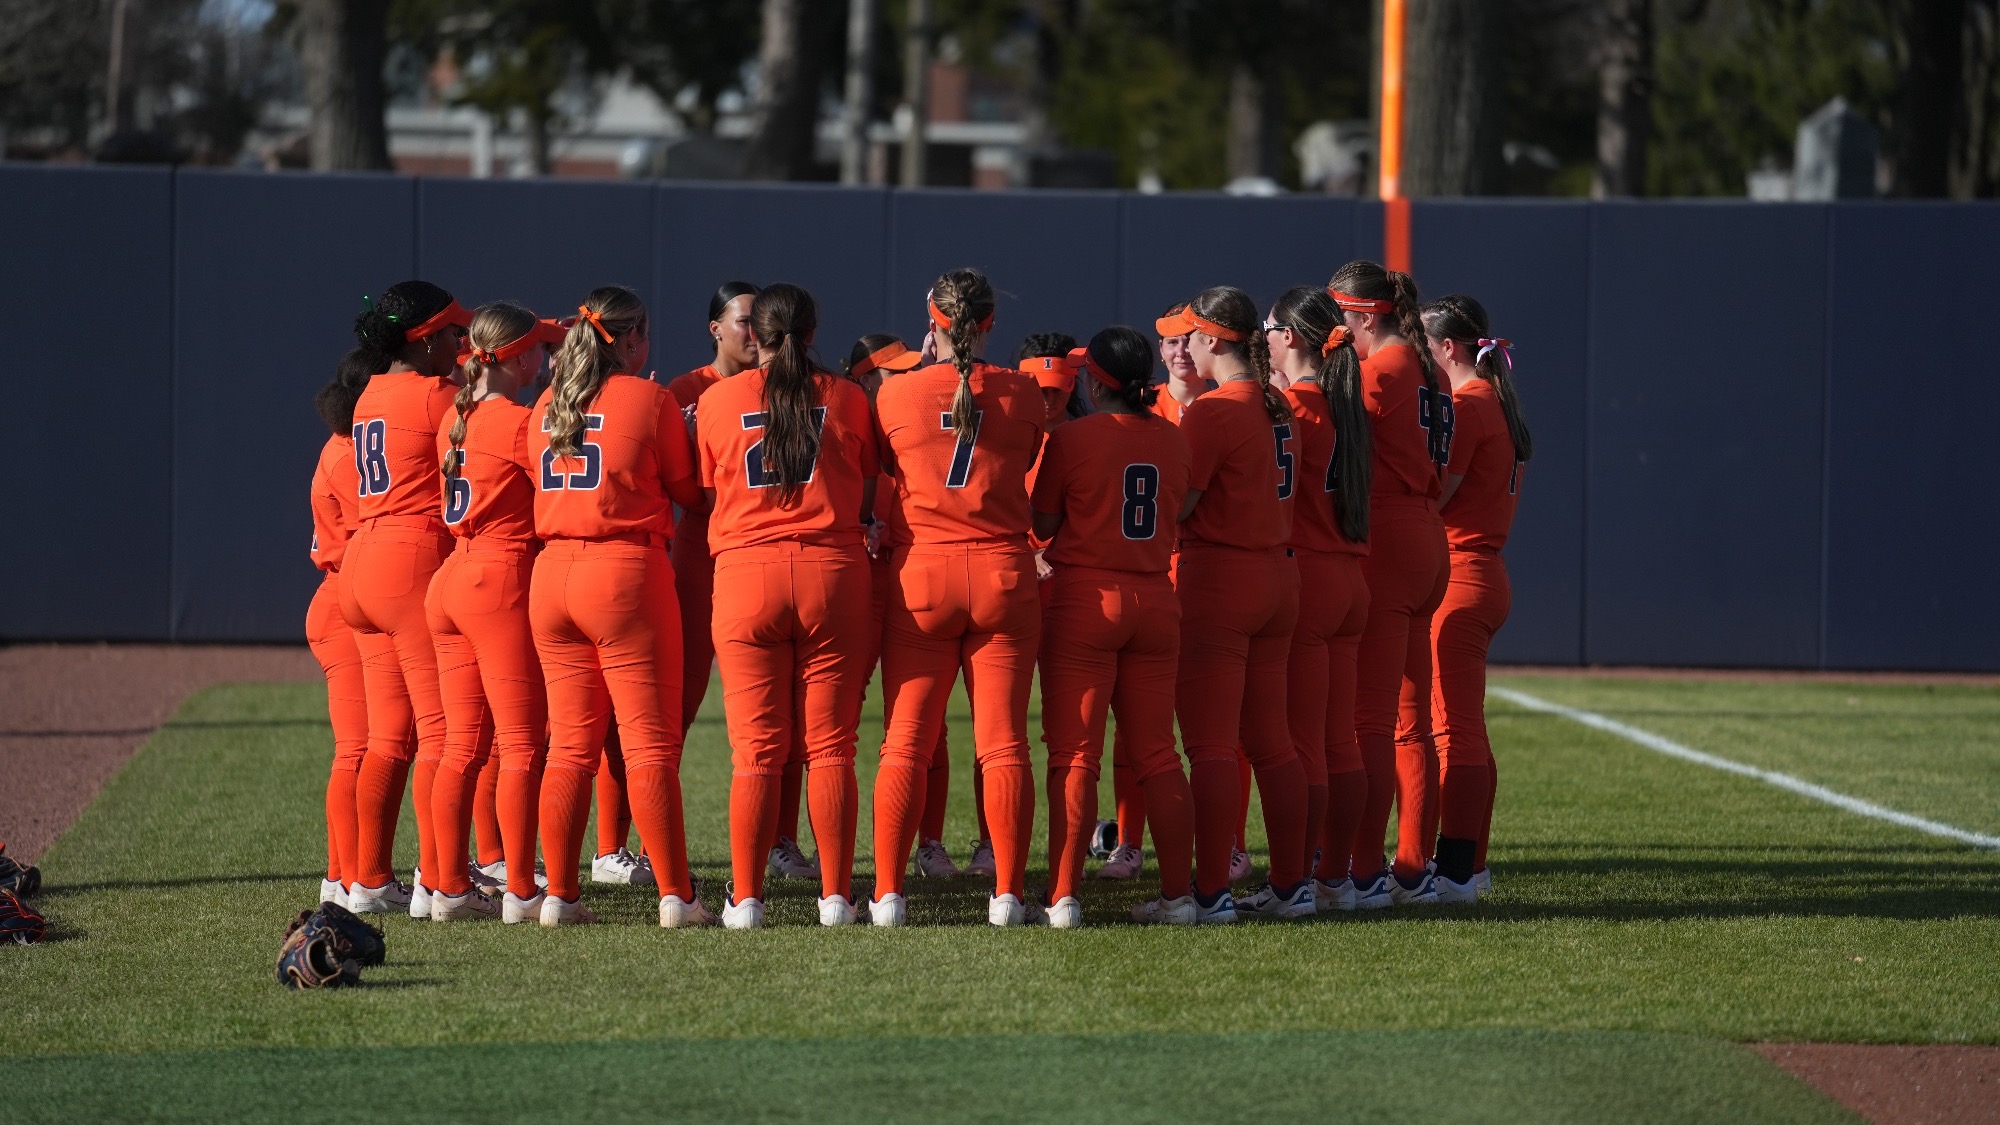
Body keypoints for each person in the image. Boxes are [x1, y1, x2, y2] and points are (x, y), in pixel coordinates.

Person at [528, 285, 711, 927]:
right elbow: (691, 491)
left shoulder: (545, 404)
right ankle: (677, 898)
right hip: (625, 571)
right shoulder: (651, 397)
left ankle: (559, 895)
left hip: (551, 577)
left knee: (570, 748)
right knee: (649, 747)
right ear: (630, 340)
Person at [695, 283, 878, 928]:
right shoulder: (848, 397)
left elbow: (707, 482)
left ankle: (745, 899)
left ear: (757, 334)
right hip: (832, 571)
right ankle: (835, 897)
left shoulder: (718, 398)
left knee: (755, 751)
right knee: (830, 747)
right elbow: (868, 483)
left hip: (747, 574)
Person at [869, 267, 1045, 927]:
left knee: (905, 741)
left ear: (932, 318)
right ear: (990, 323)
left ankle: (887, 893)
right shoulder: (1023, 392)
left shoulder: (896, 396)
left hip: (926, 573)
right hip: (1001, 570)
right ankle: (1006, 893)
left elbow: (894, 470)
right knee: (1003, 744)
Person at [1031, 327, 1196, 927]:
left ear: (1095, 382)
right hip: (1155, 597)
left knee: (1075, 756)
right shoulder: (1175, 441)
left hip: (1086, 598)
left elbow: (1043, 521)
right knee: (1158, 753)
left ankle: (1064, 896)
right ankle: (1178, 896)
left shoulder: (1073, 439)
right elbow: (1178, 511)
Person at [1167, 286, 1311, 922]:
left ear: (1214, 339)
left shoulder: (1214, 410)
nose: (1185, 346)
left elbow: (1182, 507)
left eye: (1192, 336)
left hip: (1222, 577)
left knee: (1212, 745)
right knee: (1273, 742)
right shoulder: (1279, 402)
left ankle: (1210, 891)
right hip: (1278, 578)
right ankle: (1291, 884)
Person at [425, 303, 565, 921]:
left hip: (452, 576)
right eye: (537, 348)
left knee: (461, 746)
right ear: (520, 358)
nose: (545, 357)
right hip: (499, 577)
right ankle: (520, 890)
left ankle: (444, 886)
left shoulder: (458, 415)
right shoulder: (516, 420)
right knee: (520, 745)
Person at [340, 281, 470, 916]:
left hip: (362, 558)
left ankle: (367, 880)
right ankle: (439, 880)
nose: (462, 343)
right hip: (409, 557)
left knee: (388, 737)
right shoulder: (434, 393)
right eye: (452, 333)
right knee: (441, 734)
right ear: (422, 340)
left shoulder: (369, 392)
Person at [1328, 259, 1454, 908]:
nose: (1333, 329)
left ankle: (1369, 866)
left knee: (1372, 719)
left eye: (1340, 315)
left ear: (1365, 314)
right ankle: (1410, 865)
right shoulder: (1420, 363)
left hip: (1393, 531)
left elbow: (1342, 420)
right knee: (1404, 720)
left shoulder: (1392, 363)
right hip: (1421, 531)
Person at [1265, 286, 1375, 911]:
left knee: (1303, 742)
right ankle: (1336, 876)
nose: (1268, 338)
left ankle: (1293, 884)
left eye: (1274, 327)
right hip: (1350, 578)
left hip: (1308, 576)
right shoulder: (1344, 403)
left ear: (1297, 338)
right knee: (1340, 740)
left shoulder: (1295, 407)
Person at [1422, 294, 1530, 903]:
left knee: (1452, 729)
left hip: (1461, 575)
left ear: (1449, 349)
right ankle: (1471, 862)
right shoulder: (1493, 401)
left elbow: (1436, 494)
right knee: (1464, 727)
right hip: (1483, 572)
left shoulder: (1468, 406)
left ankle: (1457, 868)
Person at [843, 335, 963, 879]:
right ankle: (795, 843)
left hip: (910, 582)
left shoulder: (912, 428)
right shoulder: (841, 430)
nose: (903, 380)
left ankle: (929, 843)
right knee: (834, 720)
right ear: (863, 380)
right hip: (854, 581)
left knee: (924, 723)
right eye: (890, 374)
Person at [306, 350, 375, 908]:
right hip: (343, 602)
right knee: (358, 748)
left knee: (369, 746)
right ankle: (345, 875)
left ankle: (343, 874)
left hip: (348, 596)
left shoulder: (350, 444)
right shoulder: (350, 452)